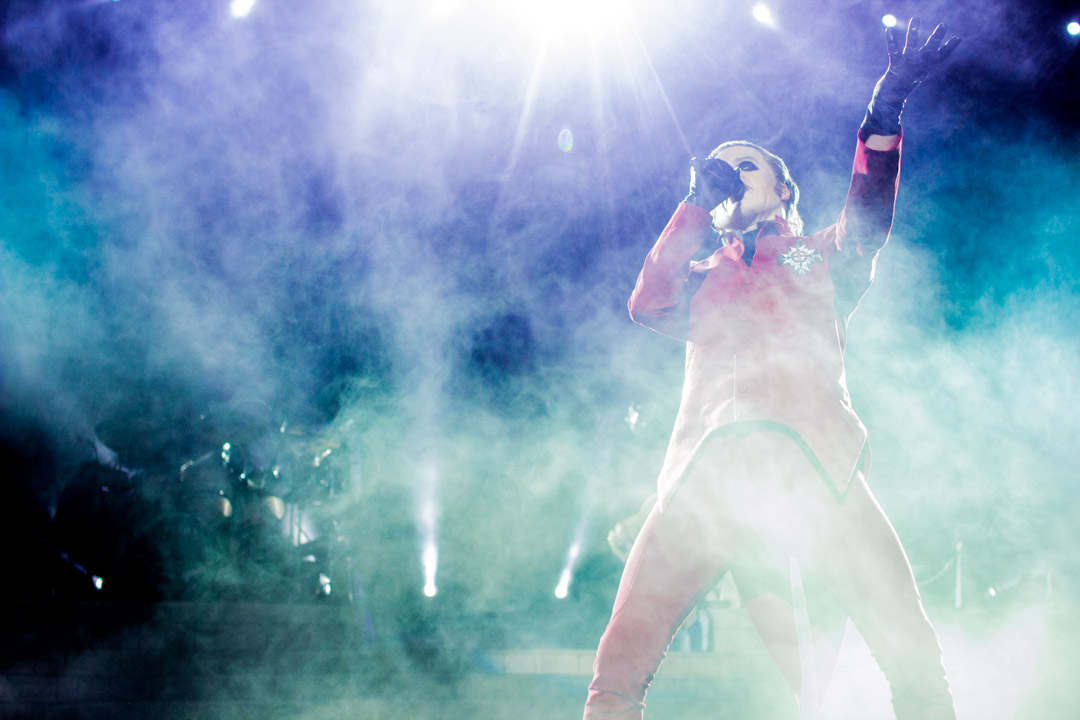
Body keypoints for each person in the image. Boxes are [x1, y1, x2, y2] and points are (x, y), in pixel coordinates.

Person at [584, 17, 962, 720]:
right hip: (702, 482)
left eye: (745, 166)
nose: (729, 175)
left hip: (816, 469)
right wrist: (694, 207)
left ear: (784, 191)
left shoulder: (814, 257)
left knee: (911, 658)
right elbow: (647, 303)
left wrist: (882, 118)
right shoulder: (700, 274)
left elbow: (866, 222)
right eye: (717, 169)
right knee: (616, 671)